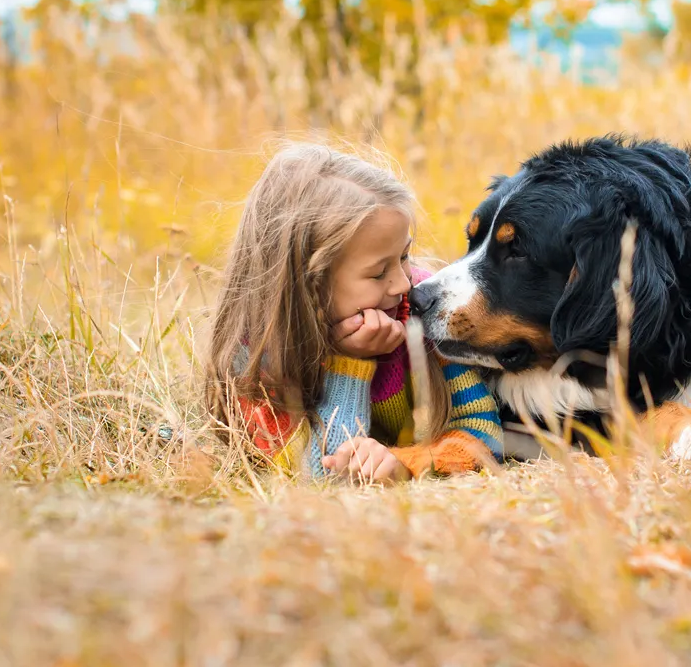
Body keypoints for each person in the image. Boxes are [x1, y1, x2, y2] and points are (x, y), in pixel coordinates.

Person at [203, 141, 503, 483]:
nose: (403, 284)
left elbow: (483, 433)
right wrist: (349, 366)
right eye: (378, 273)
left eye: (404, 256)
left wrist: (405, 464)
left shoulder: (420, 316)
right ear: (308, 283)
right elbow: (320, 475)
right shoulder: (256, 354)